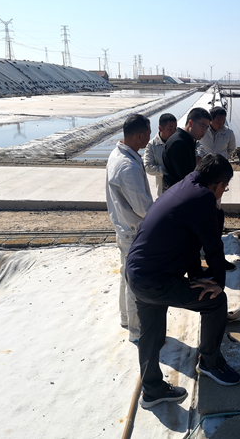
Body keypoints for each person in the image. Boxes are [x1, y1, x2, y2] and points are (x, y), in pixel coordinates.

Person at [127, 154, 240, 409]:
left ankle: (152, 391)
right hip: (158, 279)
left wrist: (197, 276)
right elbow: (212, 245)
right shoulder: (202, 197)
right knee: (215, 301)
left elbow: (189, 241)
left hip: (138, 274)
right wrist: (219, 283)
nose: (223, 193)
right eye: (225, 188)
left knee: (151, 334)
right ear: (220, 184)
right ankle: (210, 362)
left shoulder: (183, 185)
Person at [105, 114, 153, 343]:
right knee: (136, 283)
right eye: (149, 134)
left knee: (127, 276)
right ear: (140, 135)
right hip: (133, 232)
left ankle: (126, 318)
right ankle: (138, 332)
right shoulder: (128, 167)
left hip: (124, 227)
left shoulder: (118, 154)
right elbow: (143, 208)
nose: (150, 138)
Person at [162, 107, 212, 191]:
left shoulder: (188, 140)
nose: (204, 131)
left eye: (207, 127)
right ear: (191, 123)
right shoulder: (178, 143)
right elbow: (187, 177)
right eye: (202, 126)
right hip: (176, 193)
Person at [143, 113, 177, 196]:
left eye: (175, 128)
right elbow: (148, 167)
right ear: (160, 128)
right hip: (164, 190)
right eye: (170, 128)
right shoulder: (152, 145)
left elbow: (197, 144)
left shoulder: (179, 140)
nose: (174, 131)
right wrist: (167, 170)